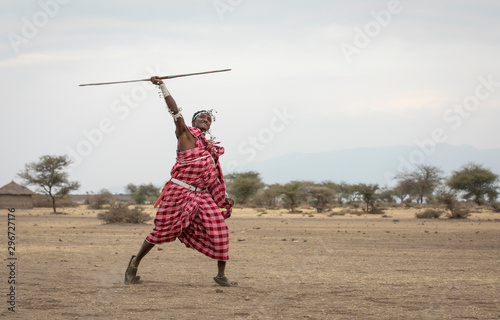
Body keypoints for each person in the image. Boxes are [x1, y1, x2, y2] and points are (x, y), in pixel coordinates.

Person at [124, 76, 236, 287]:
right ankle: (134, 264)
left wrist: (224, 196)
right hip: (180, 192)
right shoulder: (185, 135)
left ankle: (221, 276)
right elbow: (175, 112)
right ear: (191, 122)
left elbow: (213, 178)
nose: (206, 120)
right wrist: (163, 86)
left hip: (202, 196)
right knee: (161, 232)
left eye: (209, 119)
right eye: (202, 117)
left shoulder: (210, 150)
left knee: (220, 231)